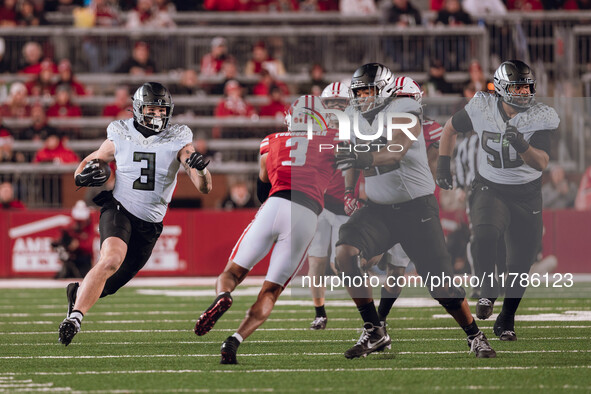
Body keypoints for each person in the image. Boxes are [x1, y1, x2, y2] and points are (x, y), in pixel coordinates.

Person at [334, 63, 495, 359]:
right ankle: (374, 330)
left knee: (441, 285)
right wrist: (348, 189)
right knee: (344, 253)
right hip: (379, 209)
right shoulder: (351, 116)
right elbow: (348, 157)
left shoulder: (403, 107)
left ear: (383, 90)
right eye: (357, 92)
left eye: (367, 90)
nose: (361, 98)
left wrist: (360, 156)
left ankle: (474, 334)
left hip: (415, 208)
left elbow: (395, 150)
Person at [57, 82, 212, 346]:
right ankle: (74, 318)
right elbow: (93, 158)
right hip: (119, 208)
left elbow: (204, 187)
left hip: (149, 224)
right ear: (139, 109)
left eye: (163, 111)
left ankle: (78, 294)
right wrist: (79, 174)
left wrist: (201, 170)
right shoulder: (121, 132)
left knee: (113, 282)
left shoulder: (179, 137)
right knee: (110, 260)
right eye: (152, 109)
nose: (158, 115)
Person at [193, 95, 338, 364]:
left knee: (232, 272)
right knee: (271, 291)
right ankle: (234, 341)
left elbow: (262, 187)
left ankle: (223, 296)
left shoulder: (271, 141)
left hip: (275, 204)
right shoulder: (332, 144)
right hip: (306, 214)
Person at [436, 60, 560, 341]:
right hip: (489, 185)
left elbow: (541, 162)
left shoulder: (539, 116)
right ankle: (487, 290)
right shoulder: (482, 108)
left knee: (520, 263)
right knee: (484, 233)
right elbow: (449, 129)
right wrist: (444, 164)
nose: (524, 93)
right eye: (517, 87)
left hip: (527, 192)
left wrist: (522, 145)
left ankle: (506, 318)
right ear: (502, 89)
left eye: (527, 87)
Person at [307, 82, 349, 330]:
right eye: (330, 103)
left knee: (342, 263)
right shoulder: (313, 132)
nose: (335, 108)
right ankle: (319, 312)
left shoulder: (357, 131)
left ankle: (366, 310)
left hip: (345, 204)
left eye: (340, 103)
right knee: (316, 261)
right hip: (320, 203)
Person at [52, 200, 94, 279]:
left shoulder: (89, 227)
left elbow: (89, 246)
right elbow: (60, 238)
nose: (80, 223)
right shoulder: (70, 226)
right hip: (71, 259)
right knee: (60, 277)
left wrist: (78, 244)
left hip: (83, 261)